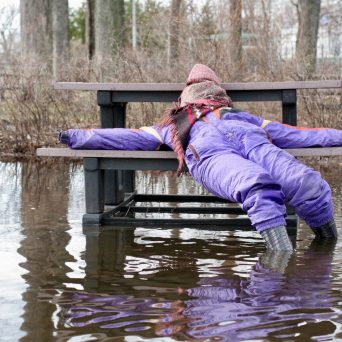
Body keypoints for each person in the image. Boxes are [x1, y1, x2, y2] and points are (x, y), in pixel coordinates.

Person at [59, 64, 341, 251]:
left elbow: (300, 134)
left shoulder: (243, 117)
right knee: (256, 185)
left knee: (306, 182)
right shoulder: (175, 126)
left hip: (254, 144)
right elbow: (127, 136)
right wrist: (76, 137)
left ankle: (325, 250)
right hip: (211, 156)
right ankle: (282, 261)